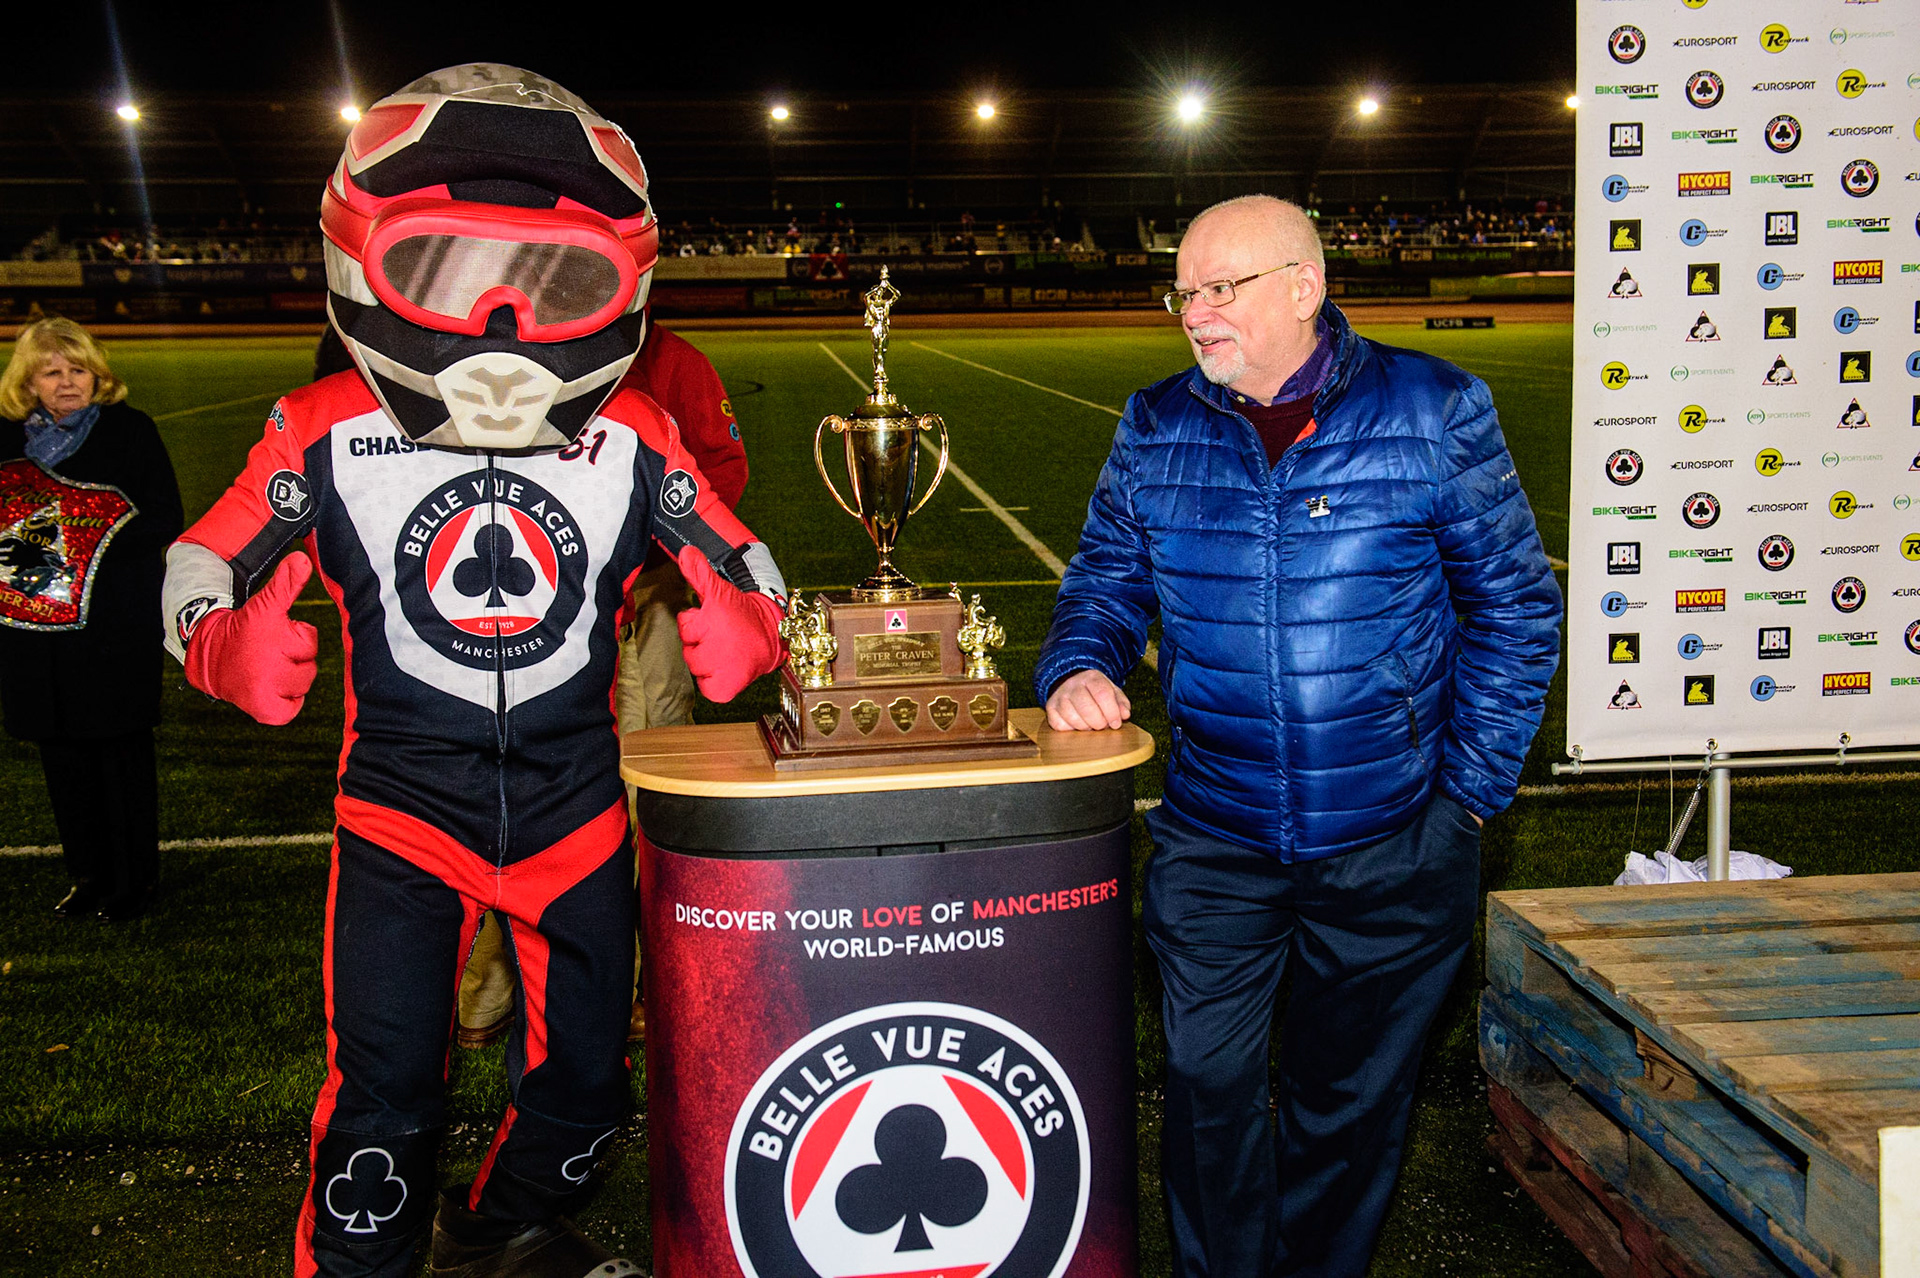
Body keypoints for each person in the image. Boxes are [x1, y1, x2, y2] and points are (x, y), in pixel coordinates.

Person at [160, 65, 787, 1278]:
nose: (501, 322)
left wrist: (754, 625)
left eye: (553, 280)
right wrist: (214, 643)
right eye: (448, 270)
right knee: (384, 1089)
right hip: (399, 811)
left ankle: (498, 1232)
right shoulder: (322, 429)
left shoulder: (637, 435)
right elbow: (198, 560)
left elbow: (747, 559)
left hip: (578, 811)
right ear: (365, 259)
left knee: (593, 1083)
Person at [1034, 194, 1561, 1278]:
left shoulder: (1433, 409)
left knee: (1347, 1106)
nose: (1194, 312)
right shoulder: (1158, 422)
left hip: (1393, 838)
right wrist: (1080, 660)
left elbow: (1516, 607)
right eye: (1183, 290)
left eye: (1219, 289)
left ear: (1304, 289)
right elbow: (1105, 576)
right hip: (1215, 836)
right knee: (1208, 1086)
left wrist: (1465, 797)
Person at [455, 317, 748, 1050]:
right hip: (540, 610)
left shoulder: (673, 360)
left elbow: (722, 470)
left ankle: (633, 982)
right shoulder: (521, 357)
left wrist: (657, 559)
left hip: (646, 602)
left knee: (647, 794)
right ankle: (490, 989)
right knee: (534, 786)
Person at [0, 316, 182, 922]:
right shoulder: (3, 440)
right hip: (33, 634)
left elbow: (163, 516)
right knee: (61, 755)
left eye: (78, 369)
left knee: (118, 751)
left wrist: (83, 541)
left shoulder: (130, 432)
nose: (67, 381)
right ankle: (87, 874)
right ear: (27, 382)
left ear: (98, 375)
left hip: (111, 625)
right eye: (51, 371)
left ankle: (133, 880)